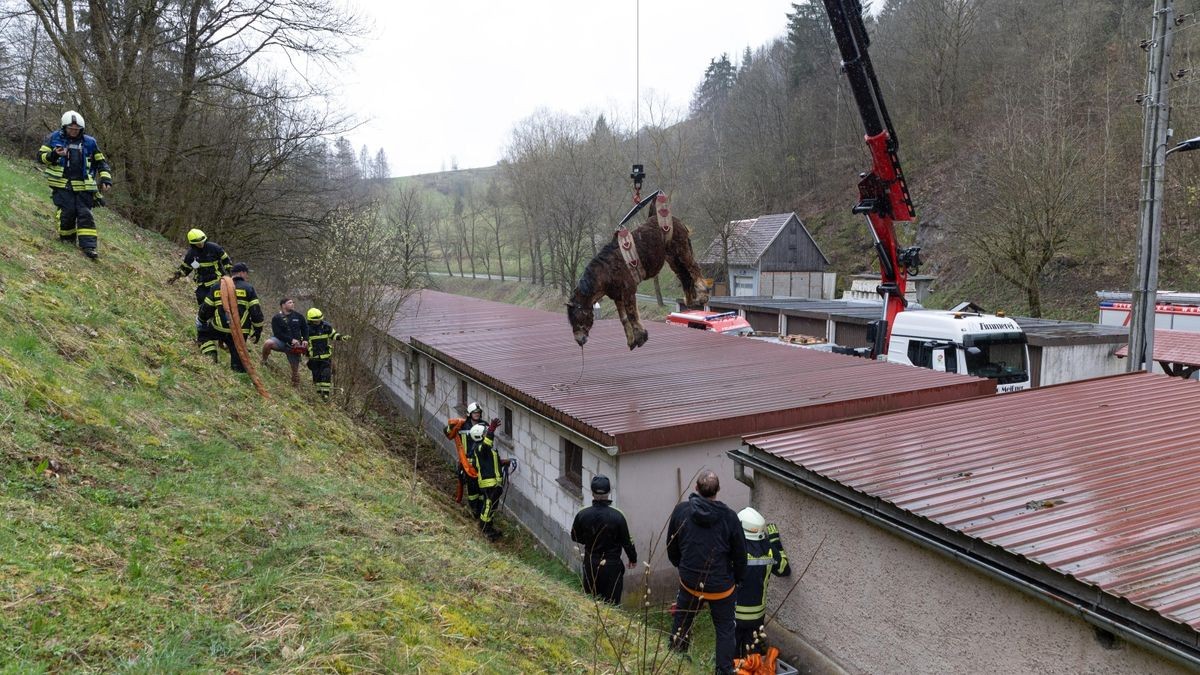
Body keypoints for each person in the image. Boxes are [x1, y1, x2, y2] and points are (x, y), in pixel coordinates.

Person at [666, 470, 746, 675]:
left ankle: (675, 659)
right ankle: (724, 670)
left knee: (682, 621)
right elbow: (740, 555)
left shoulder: (681, 511)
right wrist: (737, 580)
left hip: (690, 582)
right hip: (721, 587)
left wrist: (682, 567)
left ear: (696, 488)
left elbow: (671, 545)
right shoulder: (730, 518)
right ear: (718, 491)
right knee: (725, 629)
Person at [37, 110, 113, 260]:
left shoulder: (90, 142)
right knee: (68, 212)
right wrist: (54, 154)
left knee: (85, 214)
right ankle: (67, 239)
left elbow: (101, 163)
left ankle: (89, 247)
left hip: (84, 186)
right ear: (64, 127)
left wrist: (106, 179)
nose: (73, 131)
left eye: (76, 129)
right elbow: (40, 157)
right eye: (70, 129)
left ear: (81, 129)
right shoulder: (53, 138)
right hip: (62, 184)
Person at [570, 475, 638, 605]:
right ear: (609, 492)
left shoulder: (583, 513)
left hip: (591, 562)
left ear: (592, 492)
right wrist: (633, 558)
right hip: (612, 566)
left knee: (591, 601)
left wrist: (589, 541)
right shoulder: (618, 515)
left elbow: (574, 536)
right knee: (612, 604)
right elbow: (627, 541)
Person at [734, 507, 791, 657]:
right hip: (757, 616)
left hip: (734, 614)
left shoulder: (734, 549)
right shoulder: (769, 548)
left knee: (731, 656)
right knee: (753, 657)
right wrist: (775, 542)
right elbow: (784, 570)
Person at [198, 262, 264, 372]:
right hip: (240, 332)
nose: (247, 276)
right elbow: (256, 312)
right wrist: (258, 330)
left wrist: (201, 321)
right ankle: (238, 373)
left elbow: (206, 308)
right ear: (242, 273)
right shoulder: (248, 288)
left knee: (203, 335)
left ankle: (211, 355)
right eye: (246, 274)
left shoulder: (217, 286)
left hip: (219, 328)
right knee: (239, 359)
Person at [467, 417, 507, 540]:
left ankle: (489, 526)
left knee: (492, 507)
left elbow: (491, 463)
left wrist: (504, 462)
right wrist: (491, 429)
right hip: (489, 484)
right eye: (484, 433)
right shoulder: (480, 448)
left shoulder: (485, 451)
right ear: (480, 436)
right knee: (489, 505)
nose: (486, 434)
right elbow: (486, 444)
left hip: (495, 484)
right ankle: (484, 528)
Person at [444, 402, 484, 518]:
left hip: (481, 461)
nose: (477, 414)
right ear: (469, 414)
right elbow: (448, 434)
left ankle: (481, 509)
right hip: (467, 462)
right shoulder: (462, 426)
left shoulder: (484, 425)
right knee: (471, 487)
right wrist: (452, 425)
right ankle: (474, 509)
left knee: (482, 487)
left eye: (478, 413)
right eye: (475, 413)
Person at [262, 297, 309, 386]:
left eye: (293, 302)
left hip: (294, 347)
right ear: (283, 305)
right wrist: (290, 340)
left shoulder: (299, 316)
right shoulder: (276, 318)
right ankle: (264, 361)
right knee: (268, 343)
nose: (293, 304)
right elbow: (277, 333)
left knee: (295, 371)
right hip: (281, 342)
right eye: (290, 302)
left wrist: (305, 340)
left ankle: (295, 387)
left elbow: (305, 329)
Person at [305, 307, 350, 399]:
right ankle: (318, 394)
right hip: (314, 357)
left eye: (320, 320)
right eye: (316, 321)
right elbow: (302, 340)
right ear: (311, 320)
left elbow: (334, 334)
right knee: (316, 376)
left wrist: (342, 337)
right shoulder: (306, 329)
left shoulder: (326, 326)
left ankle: (326, 394)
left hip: (326, 356)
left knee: (326, 373)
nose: (318, 322)